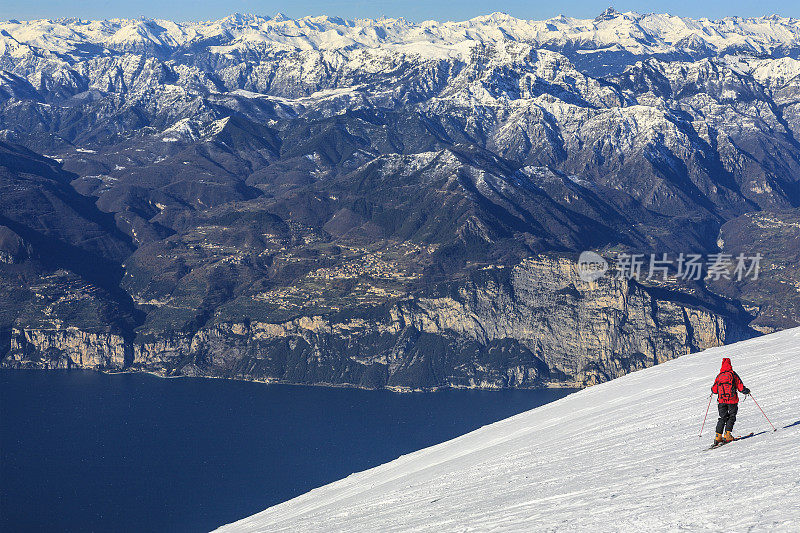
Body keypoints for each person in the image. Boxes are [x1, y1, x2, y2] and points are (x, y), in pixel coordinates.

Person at [711, 358, 750, 444]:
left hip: (721, 401)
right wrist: (746, 391)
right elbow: (740, 386)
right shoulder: (732, 374)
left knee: (722, 417)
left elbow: (714, 390)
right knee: (732, 416)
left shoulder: (719, 376)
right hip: (732, 400)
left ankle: (718, 436)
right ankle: (727, 435)